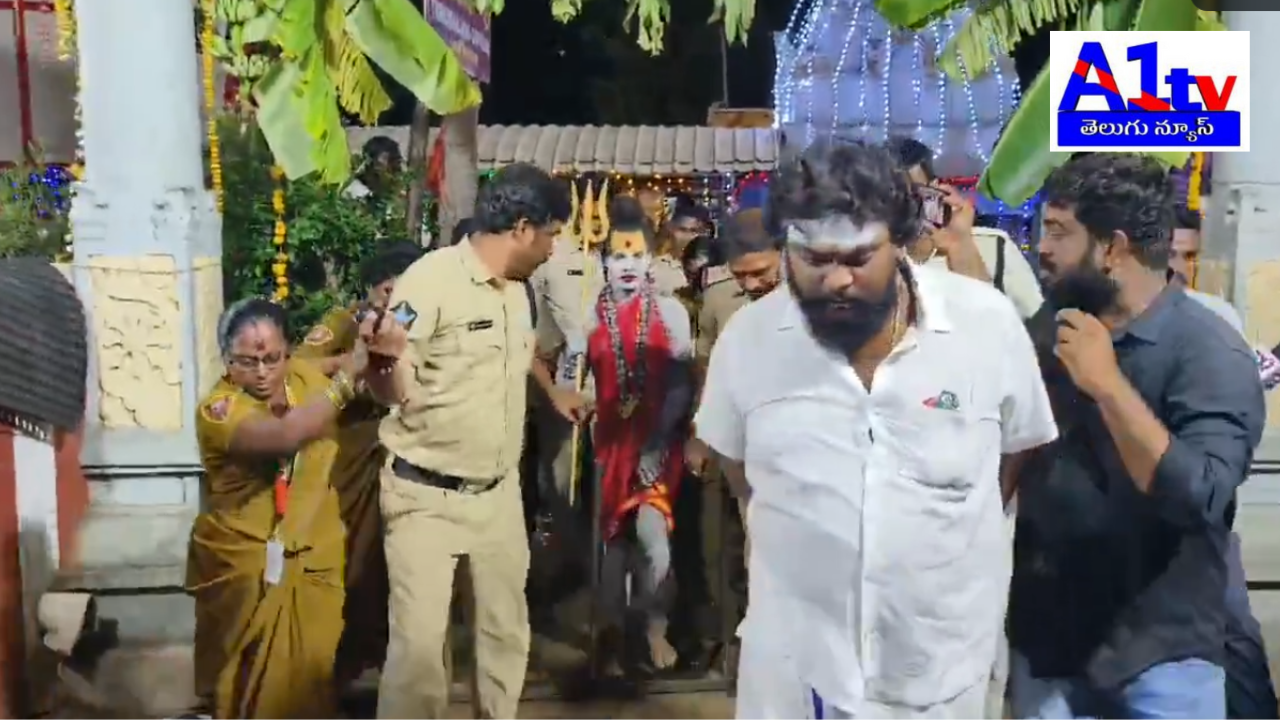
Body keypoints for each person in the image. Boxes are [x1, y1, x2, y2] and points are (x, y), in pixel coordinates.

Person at [695, 139, 1057, 718]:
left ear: (901, 241)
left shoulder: (986, 326)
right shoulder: (747, 342)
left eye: (859, 258)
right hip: (799, 675)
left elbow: (1016, 456)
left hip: (941, 672)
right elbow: (745, 479)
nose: (836, 280)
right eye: (813, 259)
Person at [1009, 153, 1267, 719]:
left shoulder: (1208, 351)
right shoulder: (1052, 325)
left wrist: (1108, 386)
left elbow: (1199, 497)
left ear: (1112, 247)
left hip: (1160, 658)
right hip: (1046, 651)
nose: (1040, 248)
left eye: (1058, 231)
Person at [367, 162, 569, 719]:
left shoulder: (517, 292)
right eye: (553, 232)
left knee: (504, 639)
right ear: (524, 228)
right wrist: (382, 365)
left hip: (499, 495)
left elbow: (520, 354)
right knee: (419, 656)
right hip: (424, 497)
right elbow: (393, 380)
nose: (555, 247)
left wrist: (555, 394)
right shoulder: (429, 281)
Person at [187, 298, 404, 718]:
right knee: (247, 679)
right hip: (245, 561)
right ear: (227, 361)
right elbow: (285, 436)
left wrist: (377, 355)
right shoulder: (219, 409)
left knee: (311, 672)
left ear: (287, 351)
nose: (263, 371)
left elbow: (346, 376)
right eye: (247, 361)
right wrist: (347, 376)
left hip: (315, 555)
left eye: (272, 358)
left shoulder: (300, 377)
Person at [292, 240, 425, 685]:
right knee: (348, 549)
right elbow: (298, 367)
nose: (395, 300)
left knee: (394, 559)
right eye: (389, 290)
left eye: (403, 292)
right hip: (349, 451)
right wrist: (352, 362)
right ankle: (338, 653)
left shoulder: (414, 321)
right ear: (373, 288)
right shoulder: (343, 321)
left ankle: (384, 653)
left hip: (401, 454)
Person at [580, 196, 694, 676]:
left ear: (651, 259)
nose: (627, 266)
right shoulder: (587, 316)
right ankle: (609, 635)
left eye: (636, 256)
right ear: (603, 262)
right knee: (612, 544)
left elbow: (682, 383)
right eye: (618, 257)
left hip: (656, 443)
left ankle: (653, 628)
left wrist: (657, 443)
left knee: (655, 541)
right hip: (607, 443)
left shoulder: (671, 313)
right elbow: (575, 380)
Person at [683, 207, 782, 673]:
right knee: (721, 546)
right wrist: (701, 435)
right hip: (734, 445)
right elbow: (706, 368)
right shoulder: (721, 297)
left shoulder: (816, 301)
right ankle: (727, 638)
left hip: (790, 456)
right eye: (741, 275)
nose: (752, 284)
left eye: (761, 272)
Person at [887, 136, 1043, 319]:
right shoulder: (871, 262)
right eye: (891, 197)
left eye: (914, 195)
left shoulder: (994, 247)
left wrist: (962, 246)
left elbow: (1038, 331)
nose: (904, 209)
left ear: (937, 191)